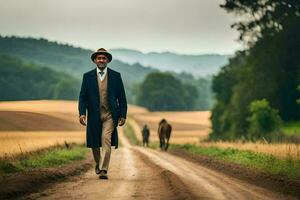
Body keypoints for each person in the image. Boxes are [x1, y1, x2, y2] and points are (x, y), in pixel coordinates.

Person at [78, 48, 127, 180]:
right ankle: (98, 164)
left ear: (107, 61)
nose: (101, 60)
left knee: (106, 140)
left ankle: (104, 169)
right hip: (93, 115)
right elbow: (83, 97)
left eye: (104, 58)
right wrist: (82, 113)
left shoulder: (116, 76)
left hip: (110, 115)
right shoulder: (87, 76)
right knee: (94, 144)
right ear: (95, 60)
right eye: (99, 58)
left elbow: (122, 97)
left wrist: (123, 115)